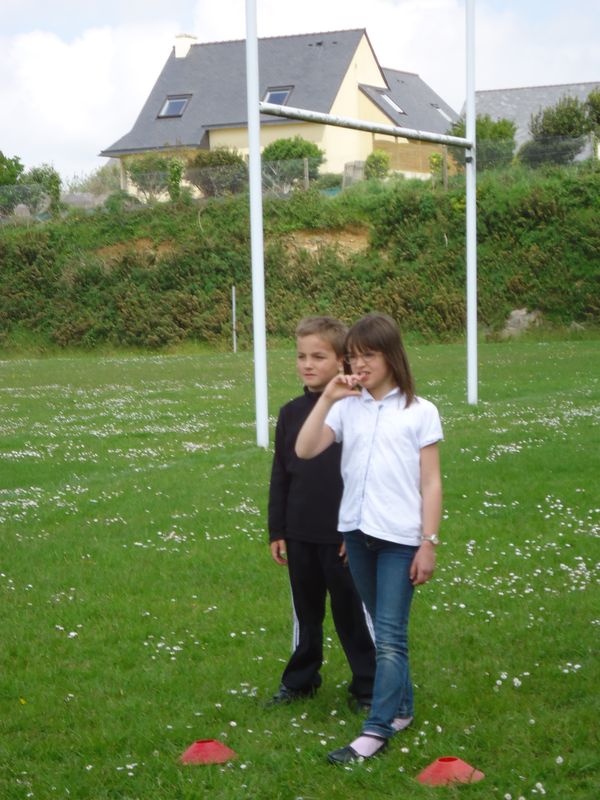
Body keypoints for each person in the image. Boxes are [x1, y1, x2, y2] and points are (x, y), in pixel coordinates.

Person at [295, 312, 443, 764]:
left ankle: (375, 731)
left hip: (400, 540)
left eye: (369, 356)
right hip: (357, 536)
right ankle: (402, 709)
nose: (359, 365)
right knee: (383, 628)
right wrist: (328, 397)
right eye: (353, 357)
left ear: (392, 357)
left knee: (391, 636)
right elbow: (304, 449)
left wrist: (428, 542)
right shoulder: (346, 407)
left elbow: (431, 482)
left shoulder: (420, 411)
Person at [267, 316, 376, 710]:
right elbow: (281, 474)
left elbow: (366, 475)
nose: (307, 364)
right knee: (306, 615)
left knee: (352, 615)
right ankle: (300, 681)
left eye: (318, 356)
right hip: (300, 534)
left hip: (344, 537)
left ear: (341, 360)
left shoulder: (358, 409)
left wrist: (357, 531)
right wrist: (278, 530)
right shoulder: (291, 413)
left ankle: (369, 686)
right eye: (301, 356)